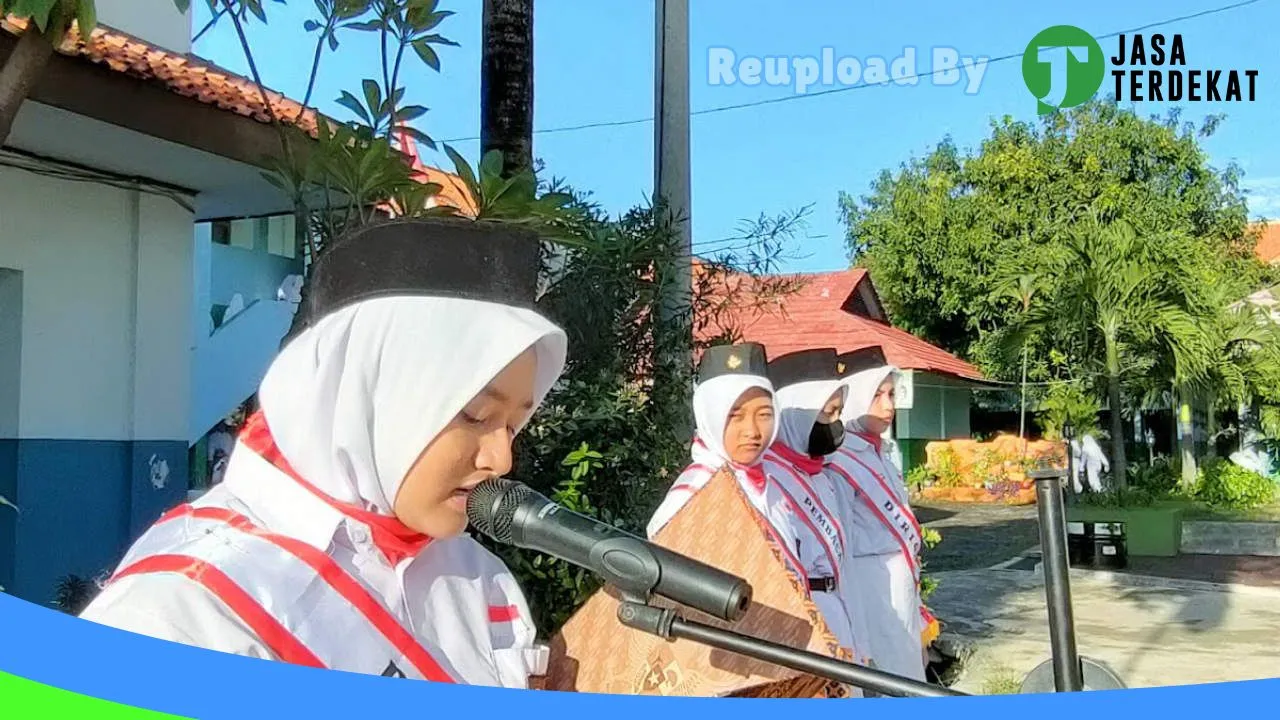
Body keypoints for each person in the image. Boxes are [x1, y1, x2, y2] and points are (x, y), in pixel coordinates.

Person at [79, 219, 569, 688]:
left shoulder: (475, 574)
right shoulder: (180, 613)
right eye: (476, 416)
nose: (502, 460)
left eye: (514, 424)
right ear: (364, 397)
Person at [823, 346, 933, 682]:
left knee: (909, 669)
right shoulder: (839, 460)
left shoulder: (883, 451)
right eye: (877, 395)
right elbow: (838, 543)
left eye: (890, 394)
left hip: (900, 579)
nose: (889, 406)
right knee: (886, 676)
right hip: (868, 583)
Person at [759, 348, 867, 668]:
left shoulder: (821, 474)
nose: (836, 424)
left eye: (839, 412)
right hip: (803, 625)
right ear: (796, 414)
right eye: (828, 413)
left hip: (839, 613)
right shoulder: (768, 479)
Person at [646, 343, 779, 538]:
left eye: (764, 415)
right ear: (708, 417)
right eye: (735, 416)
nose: (752, 431)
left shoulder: (772, 481)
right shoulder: (693, 494)